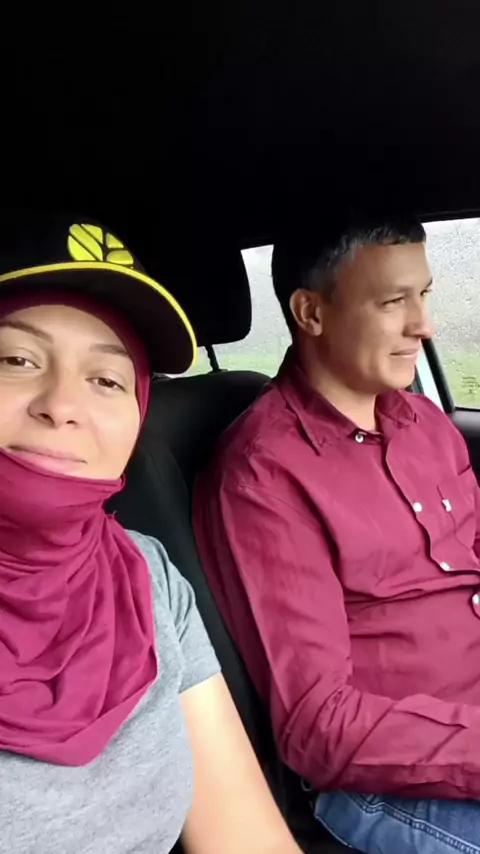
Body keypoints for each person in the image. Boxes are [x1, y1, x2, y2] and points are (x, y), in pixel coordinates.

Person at [0, 214, 302, 854]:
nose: (63, 404)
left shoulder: (143, 575)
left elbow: (246, 838)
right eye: (16, 359)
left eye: (106, 380)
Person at [194, 215, 480, 853]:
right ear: (311, 313)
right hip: (384, 780)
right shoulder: (264, 476)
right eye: (393, 302)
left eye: (424, 295)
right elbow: (319, 725)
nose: (424, 325)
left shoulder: (425, 422)